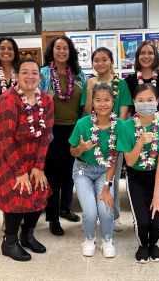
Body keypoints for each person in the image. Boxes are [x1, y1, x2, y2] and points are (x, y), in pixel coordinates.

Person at [0, 58, 54, 262]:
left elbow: (45, 135)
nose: (30, 77)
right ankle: (9, 242)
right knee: (19, 191)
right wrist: (19, 172)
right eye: (24, 72)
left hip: (31, 153)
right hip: (2, 152)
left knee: (40, 188)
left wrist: (38, 167)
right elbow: (5, 139)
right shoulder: (8, 99)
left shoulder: (46, 100)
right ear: (17, 76)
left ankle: (27, 235)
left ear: (39, 77)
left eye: (34, 72)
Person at [116, 83, 159, 263]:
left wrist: (157, 195)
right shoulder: (126, 127)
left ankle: (154, 244)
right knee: (143, 222)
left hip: (157, 176)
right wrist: (141, 142)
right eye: (141, 100)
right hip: (135, 176)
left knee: (157, 221)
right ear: (134, 102)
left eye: (150, 100)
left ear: (157, 101)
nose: (145, 104)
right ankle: (143, 245)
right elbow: (129, 161)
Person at [125, 40, 159, 233]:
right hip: (139, 134)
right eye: (142, 53)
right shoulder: (130, 81)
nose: (146, 56)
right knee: (138, 174)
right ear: (137, 57)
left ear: (156, 55)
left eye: (150, 53)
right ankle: (141, 215)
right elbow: (129, 109)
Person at [81, 47, 132, 232]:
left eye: (104, 59)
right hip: (94, 137)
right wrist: (88, 89)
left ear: (111, 61)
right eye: (96, 60)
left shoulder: (122, 84)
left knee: (113, 177)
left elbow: (125, 112)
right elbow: (88, 111)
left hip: (114, 137)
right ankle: (94, 214)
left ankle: (113, 215)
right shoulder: (90, 83)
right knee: (94, 175)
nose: (100, 63)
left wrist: (119, 135)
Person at [39, 35, 86, 236]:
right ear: (52, 51)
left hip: (74, 128)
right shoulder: (43, 74)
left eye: (65, 48)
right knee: (53, 176)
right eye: (58, 48)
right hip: (51, 131)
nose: (61, 52)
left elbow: (84, 103)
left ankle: (66, 207)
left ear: (70, 51)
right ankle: (53, 218)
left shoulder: (78, 74)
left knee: (70, 173)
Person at [69, 83, 121, 258]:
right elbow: (72, 151)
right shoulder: (83, 123)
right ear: (92, 103)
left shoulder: (118, 125)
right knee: (90, 212)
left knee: (106, 209)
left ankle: (107, 240)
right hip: (82, 170)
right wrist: (82, 148)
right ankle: (89, 239)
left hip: (105, 171)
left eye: (106, 100)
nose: (102, 104)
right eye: (97, 100)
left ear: (113, 102)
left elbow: (114, 158)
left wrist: (107, 187)